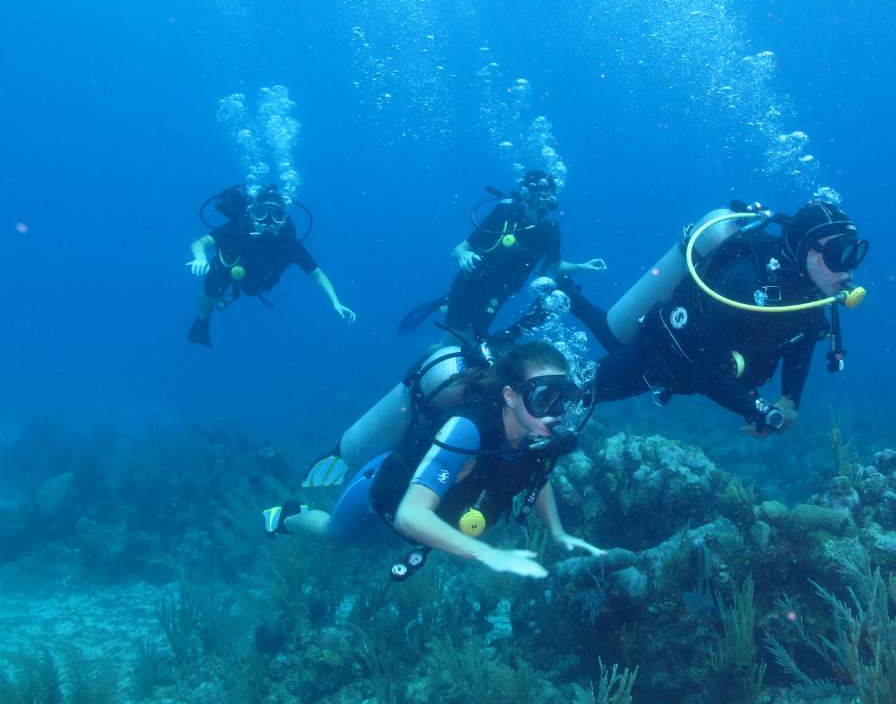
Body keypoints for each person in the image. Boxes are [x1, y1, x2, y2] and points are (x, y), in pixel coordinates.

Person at [265, 341, 606, 579]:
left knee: (365, 548)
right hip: (382, 496)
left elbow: (536, 476)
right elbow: (410, 515)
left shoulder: (536, 437)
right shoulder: (466, 431)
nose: (557, 414)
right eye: (545, 398)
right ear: (510, 396)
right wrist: (489, 555)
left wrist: (558, 533)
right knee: (334, 536)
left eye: (566, 399)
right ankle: (284, 518)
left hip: (432, 524)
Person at [560, 199, 869, 436]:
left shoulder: (810, 292)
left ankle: (567, 295)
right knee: (577, 392)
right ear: (805, 250)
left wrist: (790, 398)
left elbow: (801, 341)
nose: (848, 270)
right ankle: (562, 294)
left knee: (606, 332)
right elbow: (705, 369)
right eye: (838, 254)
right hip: (657, 359)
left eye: (854, 254)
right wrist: (757, 411)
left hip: (703, 367)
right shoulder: (743, 285)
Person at [402, 170, 606, 344]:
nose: (540, 206)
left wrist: (583, 267)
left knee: (473, 339)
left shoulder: (549, 230)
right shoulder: (505, 214)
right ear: (526, 195)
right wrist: (464, 257)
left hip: (500, 293)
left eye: (548, 200)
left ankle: (445, 306)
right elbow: (459, 249)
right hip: (472, 282)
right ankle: (416, 378)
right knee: (457, 342)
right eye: (536, 198)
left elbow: (556, 266)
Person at [185, 185, 356, 348]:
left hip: (259, 277)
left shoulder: (288, 242)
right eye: (261, 214)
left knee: (253, 290)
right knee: (211, 292)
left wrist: (336, 302)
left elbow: (317, 274)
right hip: (229, 267)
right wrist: (200, 258)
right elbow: (200, 242)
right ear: (252, 213)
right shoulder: (239, 226)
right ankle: (202, 320)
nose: (268, 221)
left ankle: (236, 292)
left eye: (276, 216)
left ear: (283, 220)